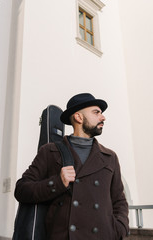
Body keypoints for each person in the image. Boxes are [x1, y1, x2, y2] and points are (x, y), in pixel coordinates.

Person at [14, 93, 129, 240]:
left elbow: (119, 200)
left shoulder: (110, 157)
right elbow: (21, 189)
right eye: (96, 112)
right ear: (78, 117)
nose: (103, 117)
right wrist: (57, 182)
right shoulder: (50, 151)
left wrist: (119, 228)